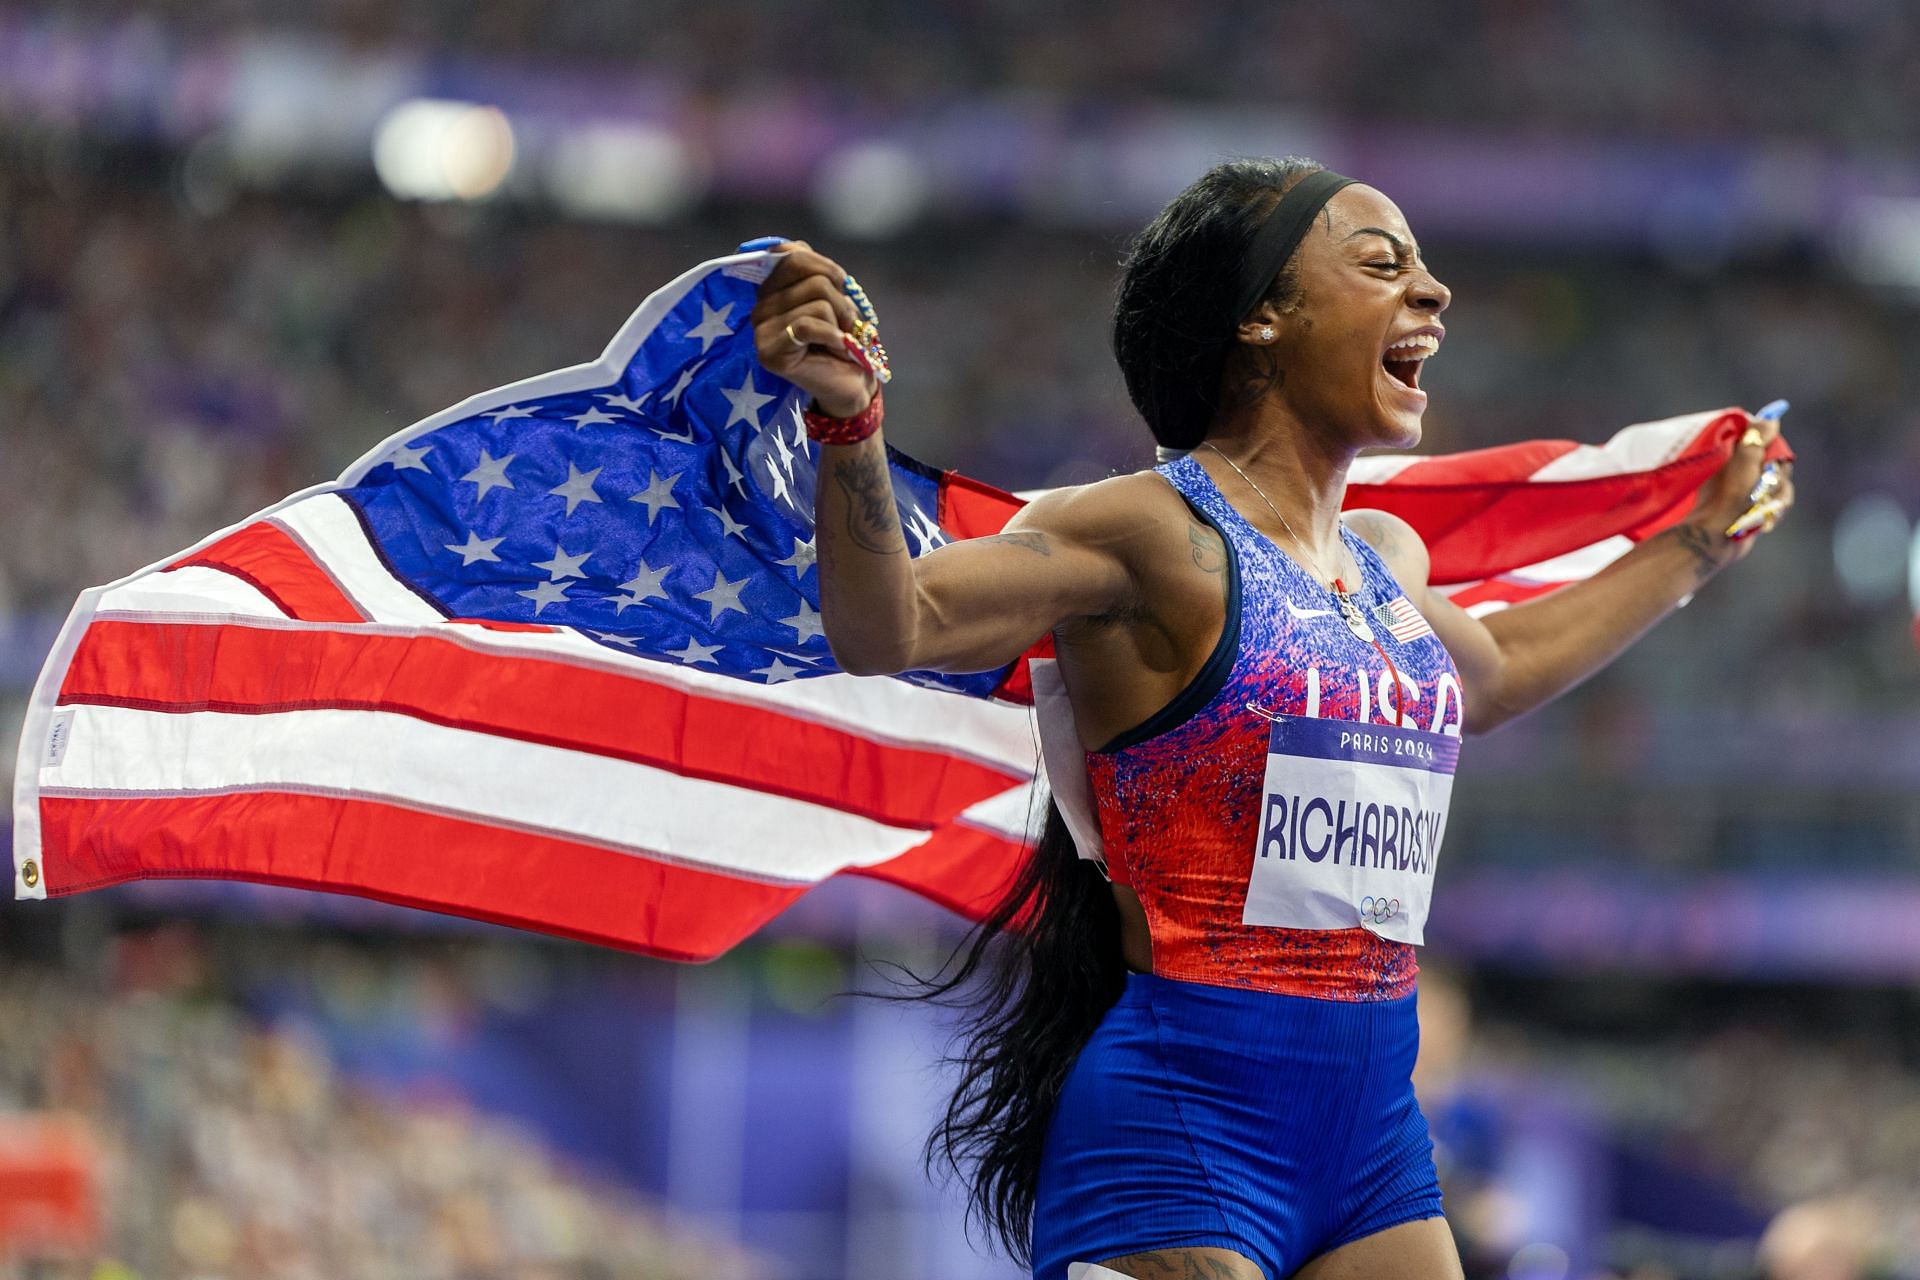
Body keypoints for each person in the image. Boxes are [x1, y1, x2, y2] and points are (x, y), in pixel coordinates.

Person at [751, 157, 1794, 1280]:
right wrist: (849, 427)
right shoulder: (1152, 532)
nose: (1434, 293)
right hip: (1183, 1118)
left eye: (1428, 266)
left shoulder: (1386, 560)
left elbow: (1499, 672)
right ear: (1260, 317)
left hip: (1374, 1136)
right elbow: (889, 624)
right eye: (1383, 263)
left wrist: (1697, 543)